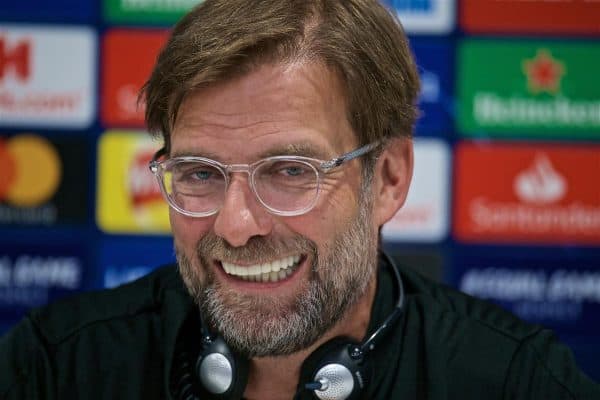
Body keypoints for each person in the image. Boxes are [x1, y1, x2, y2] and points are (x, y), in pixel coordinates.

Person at [1, 0, 598, 399]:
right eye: (200, 173)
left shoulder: (517, 380)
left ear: (388, 178)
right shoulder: (56, 368)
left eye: (290, 170)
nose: (235, 227)